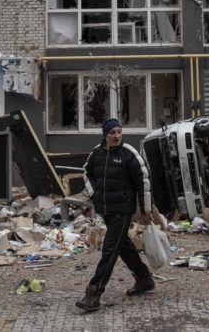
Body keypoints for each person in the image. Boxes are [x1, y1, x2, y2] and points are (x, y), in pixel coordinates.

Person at [75, 118, 155, 311]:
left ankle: (93, 293)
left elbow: (143, 183)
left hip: (123, 210)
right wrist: (95, 193)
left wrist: (145, 210)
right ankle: (144, 279)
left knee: (110, 249)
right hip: (106, 209)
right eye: (113, 133)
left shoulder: (130, 154)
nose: (117, 136)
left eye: (119, 132)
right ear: (105, 135)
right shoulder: (97, 153)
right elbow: (87, 172)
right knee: (123, 246)